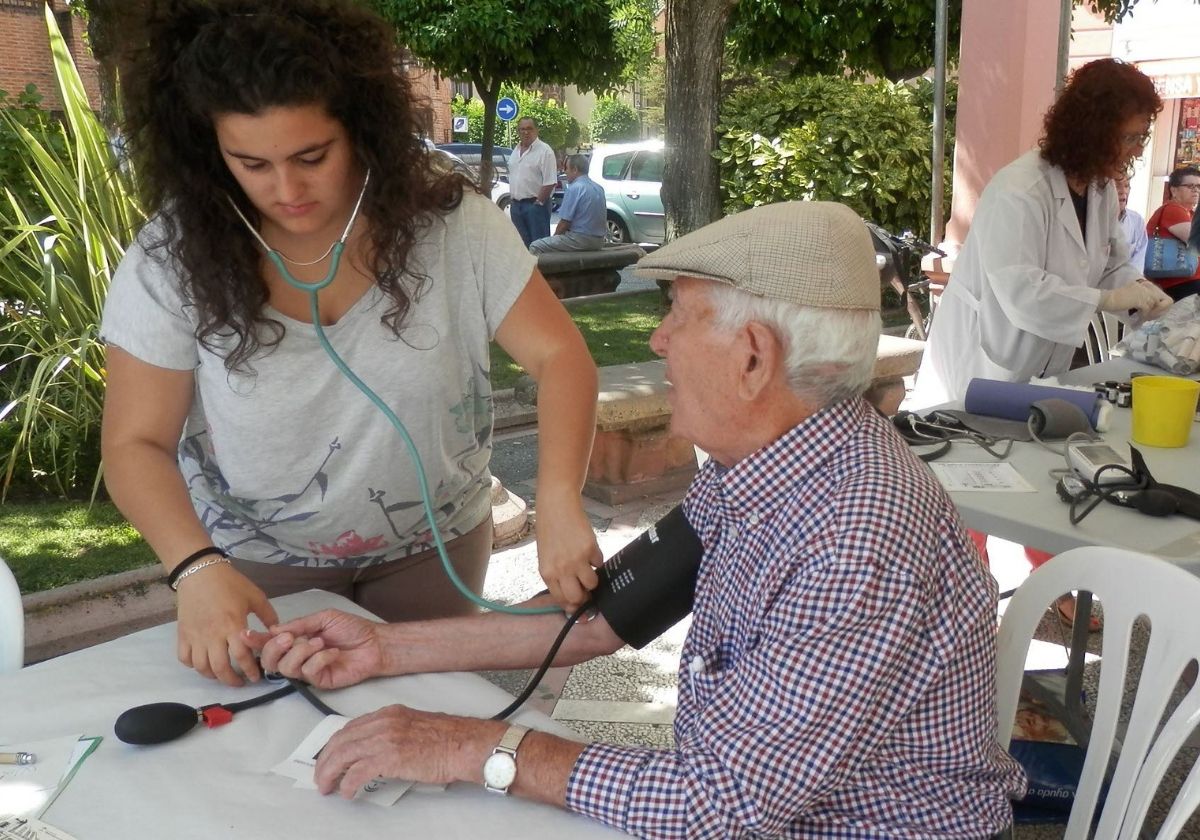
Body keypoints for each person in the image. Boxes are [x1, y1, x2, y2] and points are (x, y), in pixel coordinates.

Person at [250, 201, 1027, 840]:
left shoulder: (856, 536)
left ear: (752, 357)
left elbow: (718, 805)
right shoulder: (767, 466)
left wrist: (470, 745)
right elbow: (597, 622)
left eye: (677, 314)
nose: (656, 339)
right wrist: (381, 648)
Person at [98, 0, 603, 689]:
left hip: (435, 549)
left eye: (313, 156)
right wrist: (195, 568)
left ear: (362, 130)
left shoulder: (454, 225)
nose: (286, 190)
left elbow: (560, 357)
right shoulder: (171, 256)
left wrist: (561, 501)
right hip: (256, 560)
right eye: (250, 163)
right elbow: (135, 443)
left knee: (427, 726)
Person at [910, 58, 1173, 631]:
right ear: (1093, 126)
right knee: (972, 470)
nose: (1134, 147)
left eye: (1140, 135)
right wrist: (1104, 301)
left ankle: (1051, 578)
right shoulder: (1020, 188)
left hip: (1044, 354)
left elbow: (1109, 262)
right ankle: (969, 588)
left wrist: (1143, 296)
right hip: (988, 352)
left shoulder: (1099, 187)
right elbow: (1021, 290)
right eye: (1128, 134)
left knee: (1047, 464)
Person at [529, 154, 606, 255]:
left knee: (535, 246)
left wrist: (554, 239)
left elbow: (564, 223)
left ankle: (540, 271)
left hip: (580, 240)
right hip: (599, 241)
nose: (565, 172)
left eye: (567, 169)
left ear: (575, 169)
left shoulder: (574, 188)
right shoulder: (599, 188)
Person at [1146, 165, 1200, 301]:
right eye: (1190, 186)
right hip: (1181, 283)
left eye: (1198, 186)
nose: (1196, 190)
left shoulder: (1190, 213)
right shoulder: (1173, 209)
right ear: (1174, 190)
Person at [507, 117, 558, 247]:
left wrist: (538, 203)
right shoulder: (515, 151)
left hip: (535, 206)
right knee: (521, 248)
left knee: (538, 247)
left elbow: (550, 181)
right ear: (518, 131)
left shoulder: (545, 151)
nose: (525, 132)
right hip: (516, 206)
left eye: (529, 129)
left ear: (536, 130)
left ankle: (540, 268)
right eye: (522, 129)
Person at [1116, 172, 1148, 271]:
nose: (1123, 191)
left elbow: (1138, 260)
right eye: (1117, 186)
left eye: (1126, 186)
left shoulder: (1136, 220)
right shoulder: (1092, 218)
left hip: (1128, 280)